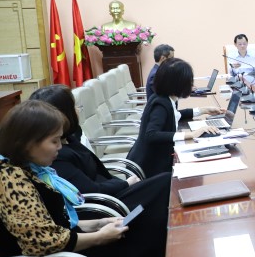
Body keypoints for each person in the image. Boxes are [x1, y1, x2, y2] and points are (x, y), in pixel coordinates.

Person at [0, 100, 166, 257]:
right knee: (151, 234)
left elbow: (56, 222)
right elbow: (43, 242)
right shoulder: (10, 179)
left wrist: (97, 223)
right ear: (28, 143)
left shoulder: (27, 169)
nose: (60, 147)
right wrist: (99, 237)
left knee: (151, 216)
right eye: (54, 141)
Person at [29, 85, 171, 214]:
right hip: (110, 207)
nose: (78, 110)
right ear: (64, 114)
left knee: (165, 182)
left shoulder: (70, 139)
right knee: (165, 183)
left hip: (114, 193)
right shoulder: (56, 155)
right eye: (74, 106)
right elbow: (90, 191)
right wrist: (126, 183)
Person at [127, 58, 224, 176]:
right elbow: (151, 135)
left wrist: (204, 110)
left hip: (153, 161)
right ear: (178, 83)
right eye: (189, 81)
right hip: (149, 167)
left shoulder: (164, 98)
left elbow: (174, 115)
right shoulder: (161, 104)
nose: (192, 85)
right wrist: (191, 134)